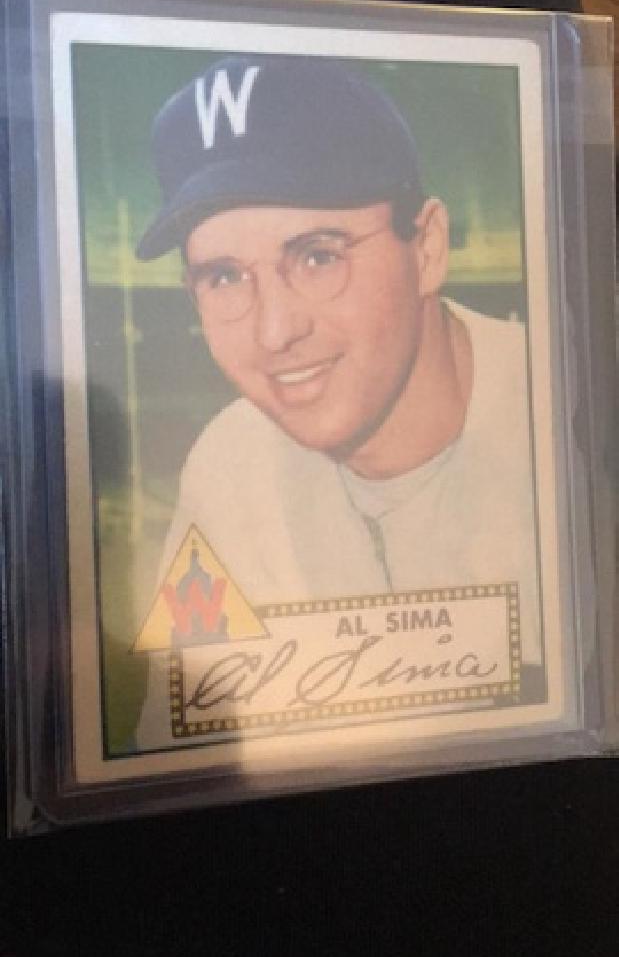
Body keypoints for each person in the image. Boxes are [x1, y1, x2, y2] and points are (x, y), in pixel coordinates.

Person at [135, 54, 543, 745]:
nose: (275, 331)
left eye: (318, 256)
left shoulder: (573, 418)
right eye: (224, 277)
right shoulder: (228, 463)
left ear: (427, 249)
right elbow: (175, 755)